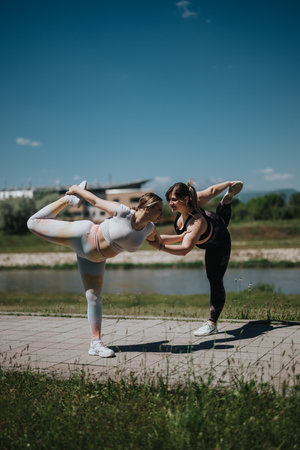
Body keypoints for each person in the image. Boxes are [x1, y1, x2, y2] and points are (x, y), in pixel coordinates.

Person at [27, 181, 165, 357]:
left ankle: (96, 344)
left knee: (94, 298)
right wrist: (76, 190)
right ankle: (67, 201)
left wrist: (185, 239)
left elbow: (158, 241)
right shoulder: (122, 212)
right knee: (32, 223)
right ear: (147, 209)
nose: (162, 213)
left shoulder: (150, 228)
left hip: (96, 259)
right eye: (159, 209)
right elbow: (95, 201)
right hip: (83, 236)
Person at [149, 180, 243, 337]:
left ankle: (212, 324)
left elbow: (185, 248)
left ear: (185, 199)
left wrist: (160, 246)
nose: (170, 204)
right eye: (169, 200)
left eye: (173, 200)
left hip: (218, 243)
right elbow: (212, 190)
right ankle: (225, 204)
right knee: (221, 220)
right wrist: (229, 183)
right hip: (213, 220)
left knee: (215, 280)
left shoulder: (196, 222)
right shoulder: (194, 199)